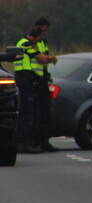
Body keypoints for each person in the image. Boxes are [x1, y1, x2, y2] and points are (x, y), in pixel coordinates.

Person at [13, 26, 55, 154]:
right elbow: (41, 59)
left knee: (36, 113)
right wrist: (50, 59)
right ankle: (24, 143)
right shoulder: (25, 44)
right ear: (34, 37)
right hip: (25, 80)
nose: (39, 42)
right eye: (38, 39)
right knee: (27, 113)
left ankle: (36, 142)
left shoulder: (35, 43)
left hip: (33, 81)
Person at [33, 17, 58, 151]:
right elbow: (41, 59)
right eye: (44, 31)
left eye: (47, 31)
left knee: (45, 113)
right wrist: (50, 59)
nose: (45, 33)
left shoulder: (43, 42)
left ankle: (44, 141)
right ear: (37, 28)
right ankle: (35, 142)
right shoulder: (29, 42)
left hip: (43, 80)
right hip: (32, 81)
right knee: (35, 113)